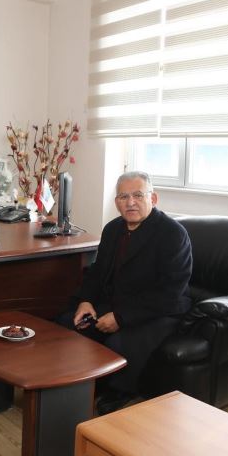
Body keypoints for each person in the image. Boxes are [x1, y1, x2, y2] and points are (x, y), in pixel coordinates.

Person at [56, 170, 192, 414]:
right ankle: (79, 380)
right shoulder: (113, 229)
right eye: (123, 197)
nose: (130, 203)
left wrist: (121, 317)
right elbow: (98, 271)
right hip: (118, 302)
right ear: (116, 202)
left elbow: (170, 292)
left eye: (138, 195)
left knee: (120, 341)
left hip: (159, 311)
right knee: (69, 322)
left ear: (153, 198)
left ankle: (119, 391)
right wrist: (86, 301)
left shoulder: (173, 234)